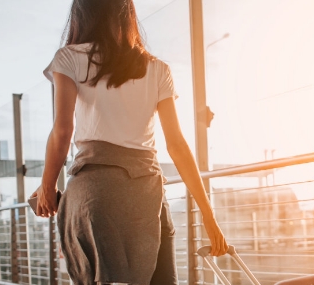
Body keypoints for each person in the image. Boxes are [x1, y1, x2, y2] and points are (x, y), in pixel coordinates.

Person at [29, 0, 228, 284]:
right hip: (147, 196)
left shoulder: (69, 57)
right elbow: (177, 145)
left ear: (82, 14)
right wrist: (208, 217)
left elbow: (62, 131)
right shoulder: (158, 69)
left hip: (93, 197)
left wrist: (47, 186)